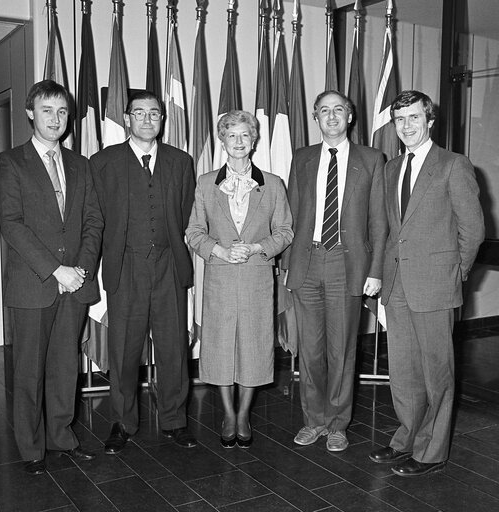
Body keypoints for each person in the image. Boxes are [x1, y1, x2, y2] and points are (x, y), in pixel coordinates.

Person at [369, 90, 484, 476]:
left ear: (429, 121)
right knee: (403, 373)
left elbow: (473, 230)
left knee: (437, 375)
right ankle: (406, 439)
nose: (406, 126)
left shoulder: (453, 165)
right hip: (397, 285)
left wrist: (454, 274)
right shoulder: (390, 169)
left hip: (435, 285)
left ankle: (432, 452)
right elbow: (389, 231)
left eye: (414, 118)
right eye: (400, 120)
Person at [0, 80, 103, 475]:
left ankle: (62, 437)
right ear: (30, 114)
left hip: (74, 283)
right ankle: (32, 448)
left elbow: (94, 221)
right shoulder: (10, 162)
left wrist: (80, 271)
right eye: (46, 111)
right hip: (34, 284)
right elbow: (12, 224)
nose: (55, 119)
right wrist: (55, 270)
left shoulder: (81, 164)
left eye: (61, 112)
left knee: (63, 366)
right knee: (29, 370)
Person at [90, 90, 197, 453]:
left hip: (168, 265)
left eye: (154, 113)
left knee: (172, 348)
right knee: (124, 350)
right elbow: (98, 216)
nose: (148, 119)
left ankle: (175, 420)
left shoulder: (181, 162)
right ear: (127, 118)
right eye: (140, 113)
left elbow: (185, 213)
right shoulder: (103, 162)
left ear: (163, 119)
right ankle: (122, 422)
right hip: (126, 266)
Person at [282, 90, 387, 452]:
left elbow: (379, 221)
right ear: (315, 117)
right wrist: (286, 264)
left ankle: (338, 423)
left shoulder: (372, 159)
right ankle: (314, 420)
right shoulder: (303, 158)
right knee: (309, 350)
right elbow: (292, 215)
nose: (331, 117)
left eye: (338, 110)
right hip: (307, 263)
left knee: (341, 349)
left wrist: (375, 270)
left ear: (350, 116)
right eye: (324, 111)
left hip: (348, 264)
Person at [186, 110, 293, 448]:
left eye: (245, 135)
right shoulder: (205, 183)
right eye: (232, 135)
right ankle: (228, 413)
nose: (239, 142)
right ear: (222, 140)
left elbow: (285, 232)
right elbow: (194, 231)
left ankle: (244, 414)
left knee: (255, 347)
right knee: (218, 348)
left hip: (257, 278)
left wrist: (258, 247)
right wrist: (218, 250)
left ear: (254, 139)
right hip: (219, 278)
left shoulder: (273, 184)